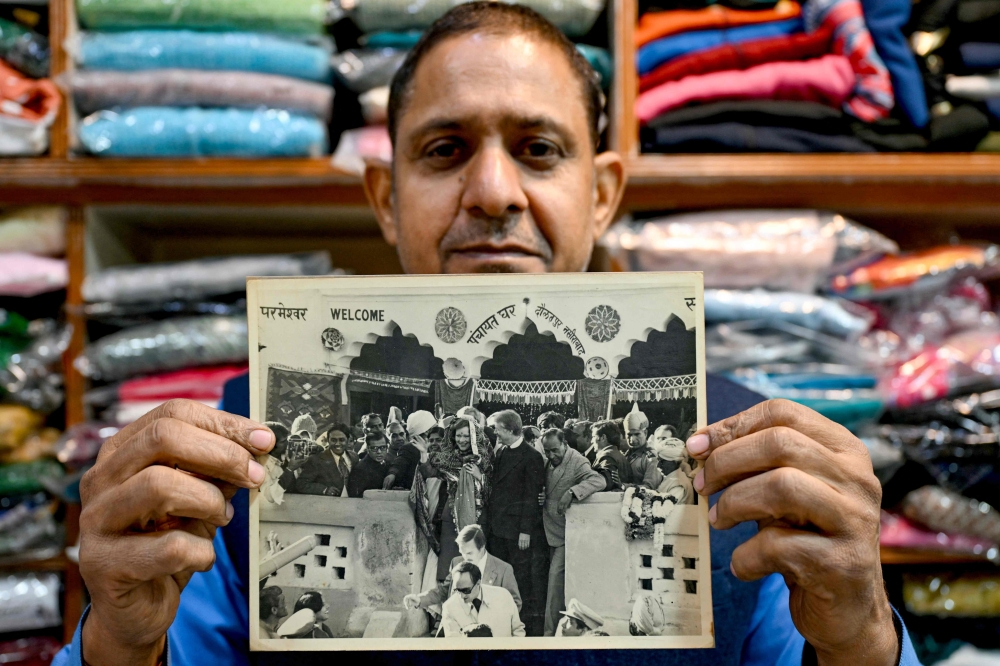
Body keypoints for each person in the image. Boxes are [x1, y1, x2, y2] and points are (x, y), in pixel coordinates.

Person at [61, 3, 921, 665]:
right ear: (383, 198)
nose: (495, 191)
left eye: (540, 150)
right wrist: (116, 640)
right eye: (443, 150)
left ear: (605, 193)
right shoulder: (238, 452)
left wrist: (864, 638)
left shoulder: (744, 462)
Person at [482, 409, 546, 636]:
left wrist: (525, 532)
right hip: (497, 529)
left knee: (519, 578)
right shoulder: (501, 452)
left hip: (517, 532)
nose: (495, 433)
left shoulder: (531, 456)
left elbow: (531, 498)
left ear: (509, 430)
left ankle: (520, 627)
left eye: (497, 429)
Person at [539, 428, 605, 636]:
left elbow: (599, 481)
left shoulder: (576, 461)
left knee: (554, 588)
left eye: (555, 450)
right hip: (549, 531)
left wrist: (572, 492)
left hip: (565, 535)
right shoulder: (549, 460)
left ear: (565, 444)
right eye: (547, 451)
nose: (551, 455)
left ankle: (549, 635)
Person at [419, 417, 495, 578]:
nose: (461, 440)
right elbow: (430, 473)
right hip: (451, 518)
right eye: (458, 436)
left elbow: (494, 490)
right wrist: (423, 455)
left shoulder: (485, 458)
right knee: (449, 565)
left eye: (466, 436)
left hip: (478, 517)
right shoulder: (446, 457)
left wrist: (479, 476)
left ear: (474, 436)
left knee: (475, 566)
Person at [404, 524, 521, 614]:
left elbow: (515, 603)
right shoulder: (456, 562)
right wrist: (419, 599)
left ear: (482, 547)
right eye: (462, 552)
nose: (465, 558)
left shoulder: (503, 569)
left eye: (469, 553)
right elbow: (443, 591)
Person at [441, 562, 525, 638]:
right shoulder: (449, 607)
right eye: (457, 590)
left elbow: (518, 631)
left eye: (466, 590)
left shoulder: (503, 596)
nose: (461, 596)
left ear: (478, 583)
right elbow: (454, 645)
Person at [293, 424, 358, 497]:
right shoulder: (316, 460)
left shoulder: (354, 457)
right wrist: (324, 489)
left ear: (348, 440)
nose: (337, 444)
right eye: (333, 440)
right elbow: (301, 484)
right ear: (328, 440)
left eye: (341, 440)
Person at [622, 404, 664, 490]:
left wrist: (624, 486)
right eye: (629, 435)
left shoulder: (652, 458)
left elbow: (649, 488)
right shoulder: (627, 454)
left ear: (645, 433)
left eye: (637, 434)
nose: (632, 439)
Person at [346, 432, 390, 498]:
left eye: (383, 447)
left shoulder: (386, 462)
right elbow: (356, 497)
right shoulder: (360, 470)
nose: (379, 452)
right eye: (374, 448)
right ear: (368, 448)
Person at [383, 420, 422, 490]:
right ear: (387, 438)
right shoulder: (384, 458)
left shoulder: (412, 453)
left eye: (401, 434)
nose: (399, 438)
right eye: (394, 436)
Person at [591, 419, 627, 492]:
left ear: (603, 438)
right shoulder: (618, 454)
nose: (591, 441)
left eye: (593, 436)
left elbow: (603, 484)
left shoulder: (607, 456)